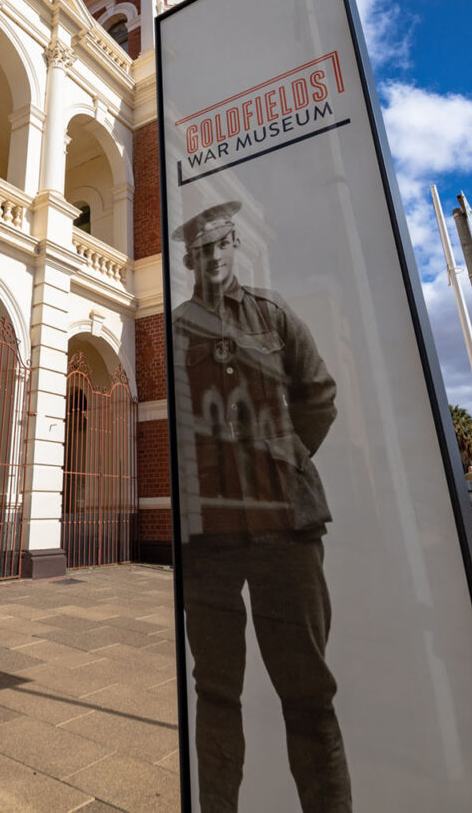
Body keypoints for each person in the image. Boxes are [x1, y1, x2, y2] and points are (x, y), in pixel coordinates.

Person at [171, 200, 351, 812]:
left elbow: (319, 393)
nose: (214, 256)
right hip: (212, 535)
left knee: (307, 691)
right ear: (191, 259)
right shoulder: (177, 329)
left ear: (234, 248)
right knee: (216, 691)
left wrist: (288, 454)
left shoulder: (273, 315)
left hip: (287, 526)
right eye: (202, 249)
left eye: (223, 245)